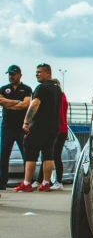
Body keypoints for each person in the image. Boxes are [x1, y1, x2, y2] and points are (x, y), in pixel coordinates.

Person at [14, 63, 62, 193]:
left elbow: (34, 104)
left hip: (39, 127)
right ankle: (46, 183)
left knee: (31, 155)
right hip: (53, 127)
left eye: (39, 72)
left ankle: (27, 183)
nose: (37, 74)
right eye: (36, 72)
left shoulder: (41, 87)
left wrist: (26, 121)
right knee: (48, 155)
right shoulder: (57, 88)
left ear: (48, 73)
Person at [0, 65, 33, 190]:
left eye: (13, 74)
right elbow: (0, 100)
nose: (11, 76)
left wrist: (8, 103)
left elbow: (26, 105)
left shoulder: (26, 89)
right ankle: (2, 182)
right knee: (4, 156)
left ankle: (26, 182)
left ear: (20, 75)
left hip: (21, 127)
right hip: (7, 127)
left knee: (26, 155)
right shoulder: (3, 89)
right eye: (9, 74)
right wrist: (17, 102)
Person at [35, 78, 68, 190]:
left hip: (57, 129)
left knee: (52, 155)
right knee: (48, 154)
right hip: (61, 129)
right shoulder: (63, 97)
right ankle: (43, 180)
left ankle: (57, 181)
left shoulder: (58, 98)